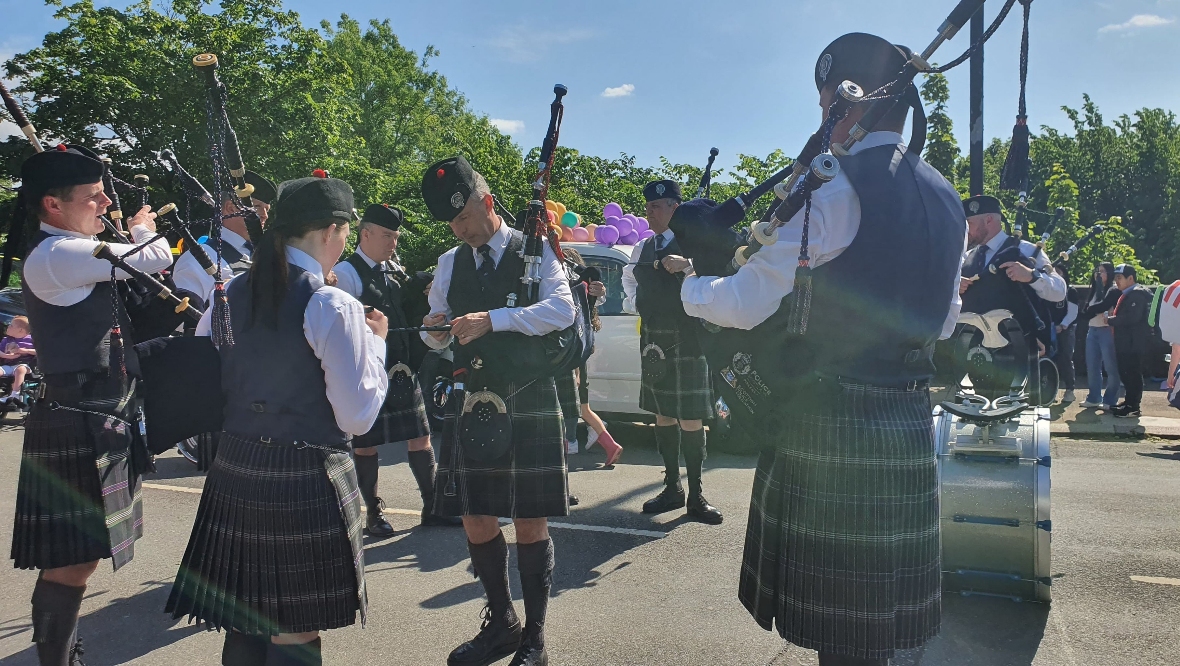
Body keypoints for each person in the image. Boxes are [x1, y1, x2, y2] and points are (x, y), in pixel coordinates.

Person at [679, 34, 966, 664]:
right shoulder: (948, 201)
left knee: (842, 636)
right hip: (908, 421)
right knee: (875, 629)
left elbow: (745, 303)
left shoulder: (835, 191)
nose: (823, 121)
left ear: (851, 102)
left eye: (826, 105)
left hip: (832, 425)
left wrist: (689, 291)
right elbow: (944, 324)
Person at [165, 174, 389, 666]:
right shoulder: (331, 303)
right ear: (331, 230)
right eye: (347, 232)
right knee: (293, 630)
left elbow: (206, 383)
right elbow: (357, 417)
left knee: (246, 617)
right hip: (306, 475)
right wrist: (377, 343)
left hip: (236, 467)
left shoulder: (226, 297)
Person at [11, 144, 172, 666]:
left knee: (79, 559)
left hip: (99, 413)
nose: (106, 202)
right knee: (71, 560)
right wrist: (144, 228)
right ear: (53, 206)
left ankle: (60, 654)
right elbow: (153, 259)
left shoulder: (75, 249)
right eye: (93, 196)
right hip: (79, 418)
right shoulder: (58, 254)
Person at [420, 156, 573, 666]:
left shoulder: (535, 249)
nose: (459, 229)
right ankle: (502, 622)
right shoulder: (449, 262)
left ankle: (534, 637)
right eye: (452, 223)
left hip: (528, 394)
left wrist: (496, 319)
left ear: (486, 201)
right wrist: (436, 330)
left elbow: (561, 310)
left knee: (529, 520)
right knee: (475, 516)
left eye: (464, 216)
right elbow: (434, 332)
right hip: (473, 398)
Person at [333, 203, 461, 533]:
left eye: (396, 237)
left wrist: (425, 323)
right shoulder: (346, 274)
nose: (393, 243)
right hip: (369, 370)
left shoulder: (392, 269)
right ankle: (374, 514)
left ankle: (432, 507)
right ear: (365, 234)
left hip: (403, 372)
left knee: (421, 438)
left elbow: (399, 320)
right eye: (387, 235)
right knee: (365, 444)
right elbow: (344, 326)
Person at [621, 179, 722, 525]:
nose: (647, 212)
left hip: (688, 336)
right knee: (662, 414)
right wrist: (639, 303)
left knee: (691, 417)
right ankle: (671, 488)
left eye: (655, 206)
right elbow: (629, 279)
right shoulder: (642, 247)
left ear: (674, 209)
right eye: (647, 206)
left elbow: (719, 278)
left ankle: (696, 495)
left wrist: (689, 265)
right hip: (654, 338)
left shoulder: (696, 245)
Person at [959, 195, 1068, 357]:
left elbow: (1059, 292)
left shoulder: (1026, 251)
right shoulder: (966, 257)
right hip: (975, 350)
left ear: (988, 220)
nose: (966, 231)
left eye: (970, 224)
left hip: (1019, 346)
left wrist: (1032, 276)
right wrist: (955, 287)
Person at [172, 170, 276, 308]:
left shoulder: (265, 255)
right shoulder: (199, 259)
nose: (264, 216)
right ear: (230, 208)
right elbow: (184, 322)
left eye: (267, 209)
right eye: (257, 207)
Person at [563, 249, 623, 466]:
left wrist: (577, 370)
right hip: (580, 355)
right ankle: (609, 444)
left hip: (572, 357)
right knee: (583, 408)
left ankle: (571, 442)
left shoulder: (576, 293)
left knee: (576, 407)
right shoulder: (586, 296)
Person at [1105, 264, 1152, 417]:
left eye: (1119, 278)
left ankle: (1133, 406)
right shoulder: (1128, 293)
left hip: (1133, 344)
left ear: (1130, 278)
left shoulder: (1137, 295)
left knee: (1133, 374)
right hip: (1126, 343)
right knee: (1126, 373)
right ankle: (1129, 402)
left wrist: (1111, 320)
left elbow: (1132, 318)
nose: (1116, 282)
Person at [1080, 262, 1121, 409]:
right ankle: (1094, 397)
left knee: (1111, 367)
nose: (1098, 274)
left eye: (1102, 271)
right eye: (1097, 271)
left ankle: (1110, 399)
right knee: (1092, 366)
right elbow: (1086, 311)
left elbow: (1102, 306)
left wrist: (1092, 309)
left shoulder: (1113, 290)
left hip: (1107, 330)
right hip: (1093, 329)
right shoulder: (1094, 290)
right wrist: (1092, 309)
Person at [1050, 265, 1081, 402]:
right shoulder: (1047, 290)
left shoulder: (1070, 290)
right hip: (1050, 328)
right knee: (1051, 359)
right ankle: (1051, 391)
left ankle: (1069, 389)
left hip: (1066, 329)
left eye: (1059, 272)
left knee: (1066, 358)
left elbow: (1073, 312)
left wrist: (1063, 325)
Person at [0, 315, 37, 406]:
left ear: (20, 330)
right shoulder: (6, 340)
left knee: (20, 369)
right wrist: (6, 356)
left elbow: (39, 352)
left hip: (25, 365)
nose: (8, 326)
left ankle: (15, 394)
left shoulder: (31, 340)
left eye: (11, 325)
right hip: (8, 365)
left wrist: (26, 351)